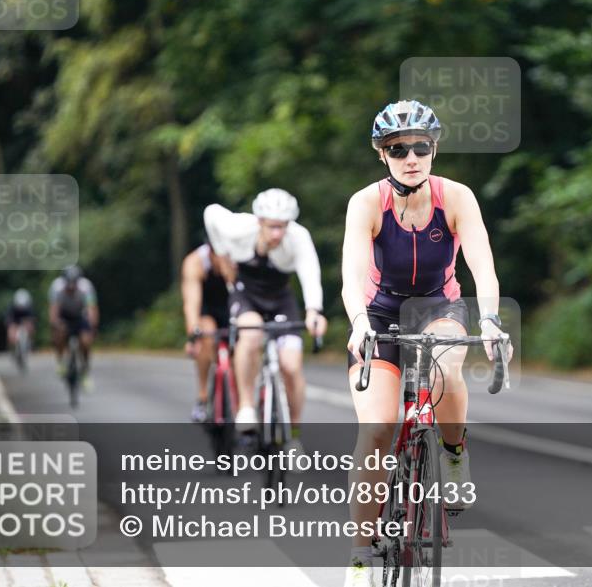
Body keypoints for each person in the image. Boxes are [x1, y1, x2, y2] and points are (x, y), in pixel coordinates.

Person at [340, 100, 510, 586]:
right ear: (382, 155)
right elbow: (352, 274)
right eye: (397, 148)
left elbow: (482, 265)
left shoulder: (456, 197)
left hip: (441, 306)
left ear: (433, 149)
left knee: (446, 369)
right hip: (380, 314)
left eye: (420, 146)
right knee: (375, 432)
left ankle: (453, 454)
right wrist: (357, 321)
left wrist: (493, 318)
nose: (410, 156)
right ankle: (359, 554)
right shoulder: (366, 203)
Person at [203, 189, 328, 454]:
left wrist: (314, 311)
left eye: (282, 227)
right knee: (250, 335)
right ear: (259, 221)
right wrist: (221, 251)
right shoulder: (239, 228)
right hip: (246, 295)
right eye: (272, 226)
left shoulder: (298, 237)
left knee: (291, 367)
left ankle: (294, 436)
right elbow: (211, 212)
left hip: (280, 299)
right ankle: (247, 406)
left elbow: (310, 273)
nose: (277, 234)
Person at [180, 240, 232, 423]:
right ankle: (202, 396)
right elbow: (191, 304)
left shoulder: (239, 258)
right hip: (207, 308)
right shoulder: (195, 262)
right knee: (205, 333)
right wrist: (193, 335)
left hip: (232, 306)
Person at [48, 265, 99, 387]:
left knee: (86, 342)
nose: (71, 287)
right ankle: (61, 362)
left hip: (80, 315)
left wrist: (92, 326)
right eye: (68, 284)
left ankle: (85, 372)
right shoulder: (56, 287)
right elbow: (54, 310)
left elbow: (92, 309)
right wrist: (55, 323)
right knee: (59, 334)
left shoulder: (86, 287)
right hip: (64, 315)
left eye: (74, 283)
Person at [6, 288, 36, 356]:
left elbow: (31, 321)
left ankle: (29, 344)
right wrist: (12, 330)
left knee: (30, 329)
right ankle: (12, 349)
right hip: (15, 322)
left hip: (24, 322)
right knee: (11, 333)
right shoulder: (11, 308)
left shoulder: (29, 308)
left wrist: (30, 329)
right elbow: (9, 321)